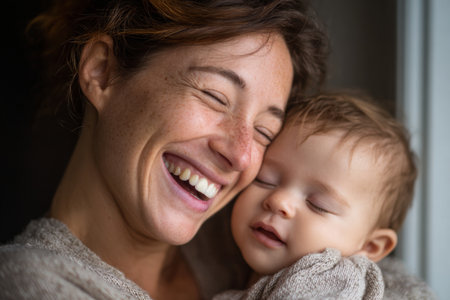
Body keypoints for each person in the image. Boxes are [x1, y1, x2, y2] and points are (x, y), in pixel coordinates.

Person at [0, 0, 329, 299]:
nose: (241, 155)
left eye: (264, 131)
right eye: (215, 96)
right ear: (103, 70)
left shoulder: (247, 245)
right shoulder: (29, 282)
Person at [214, 92, 436, 299]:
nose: (279, 201)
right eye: (265, 179)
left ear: (370, 247)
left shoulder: (335, 285)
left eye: (317, 204)